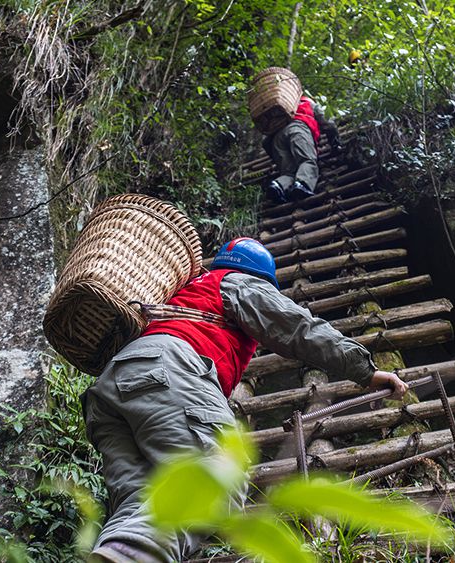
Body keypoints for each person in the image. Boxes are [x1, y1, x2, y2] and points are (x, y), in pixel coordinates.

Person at [84, 237, 408, 563]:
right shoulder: (238, 282)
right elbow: (299, 327)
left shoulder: (188, 293)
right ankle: (131, 555)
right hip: (169, 369)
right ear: (262, 277)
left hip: (109, 389)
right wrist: (365, 371)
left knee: (139, 502)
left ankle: (119, 553)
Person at [262, 95, 342, 204]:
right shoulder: (306, 102)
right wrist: (335, 143)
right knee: (307, 160)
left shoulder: (278, 108)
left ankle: (278, 185)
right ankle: (302, 184)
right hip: (298, 130)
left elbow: (265, 142)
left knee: (289, 172)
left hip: (276, 139)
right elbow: (329, 124)